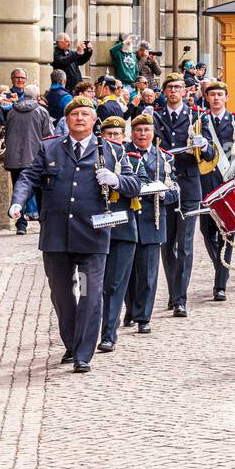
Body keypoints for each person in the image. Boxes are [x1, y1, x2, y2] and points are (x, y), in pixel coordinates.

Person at [9, 97, 140, 373]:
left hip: (92, 235)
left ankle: (83, 353)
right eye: (75, 114)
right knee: (62, 294)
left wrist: (116, 180)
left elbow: (134, 184)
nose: (80, 118)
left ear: (95, 121)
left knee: (91, 294)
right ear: (66, 120)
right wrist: (18, 202)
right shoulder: (50, 147)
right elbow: (29, 177)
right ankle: (71, 343)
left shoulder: (112, 151)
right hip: (56, 235)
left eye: (85, 114)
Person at [153, 73, 216, 316]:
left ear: (185, 91)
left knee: (186, 244)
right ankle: (172, 292)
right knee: (167, 244)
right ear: (165, 91)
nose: (174, 91)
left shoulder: (197, 116)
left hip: (190, 185)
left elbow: (211, 155)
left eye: (178, 87)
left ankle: (181, 298)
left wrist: (204, 145)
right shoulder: (155, 116)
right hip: (165, 184)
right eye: (170, 88)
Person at [196, 81, 235, 301]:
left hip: (229, 184)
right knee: (206, 231)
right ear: (207, 98)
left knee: (227, 234)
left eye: (220, 94)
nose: (216, 98)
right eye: (212, 95)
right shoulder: (200, 123)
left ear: (226, 98)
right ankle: (221, 265)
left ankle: (220, 285)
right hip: (207, 184)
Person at [124, 114, 177, 335]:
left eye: (146, 130)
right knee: (126, 273)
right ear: (132, 133)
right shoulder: (123, 155)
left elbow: (174, 191)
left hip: (152, 221)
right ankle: (130, 308)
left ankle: (143, 316)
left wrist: (164, 195)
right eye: (138, 130)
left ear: (153, 133)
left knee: (148, 274)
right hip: (127, 221)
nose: (142, 134)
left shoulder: (164, 158)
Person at [96, 116, 140, 353]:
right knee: (89, 286)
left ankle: (109, 334)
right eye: (108, 135)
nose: (113, 139)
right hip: (94, 230)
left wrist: (117, 181)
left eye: (117, 135)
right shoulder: (93, 157)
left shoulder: (129, 158)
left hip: (122, 230)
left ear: (123, 137)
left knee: (114, 285)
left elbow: (136, 185)